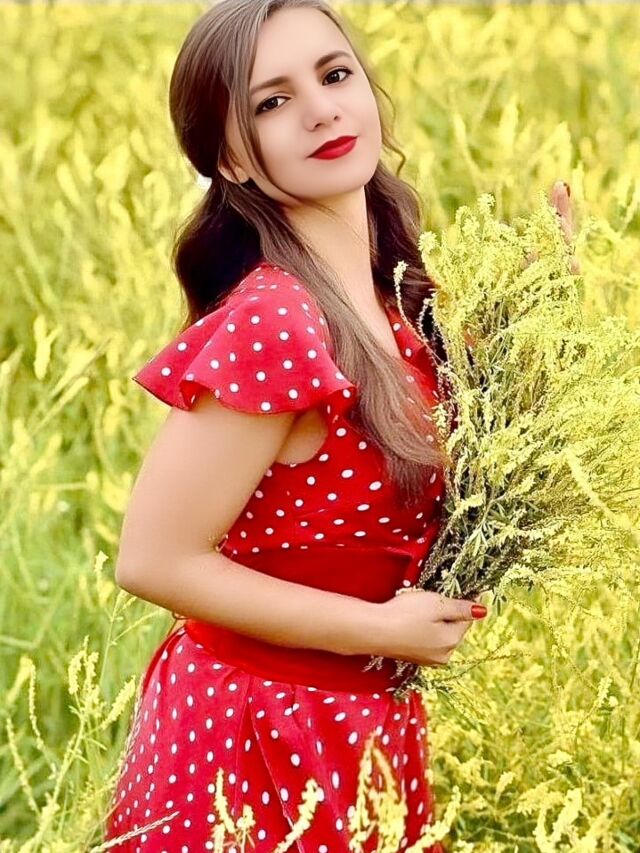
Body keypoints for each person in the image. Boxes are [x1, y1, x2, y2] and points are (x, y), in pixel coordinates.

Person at [103, 1, 489, 850]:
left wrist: (535, 320)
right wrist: (384, 630)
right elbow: (153, 557)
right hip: (255, 738)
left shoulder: (395, 299)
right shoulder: (278, 320)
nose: (320, 110)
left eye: (335, 74)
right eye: (272, 102)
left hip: (362, 724)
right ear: (231, 158)